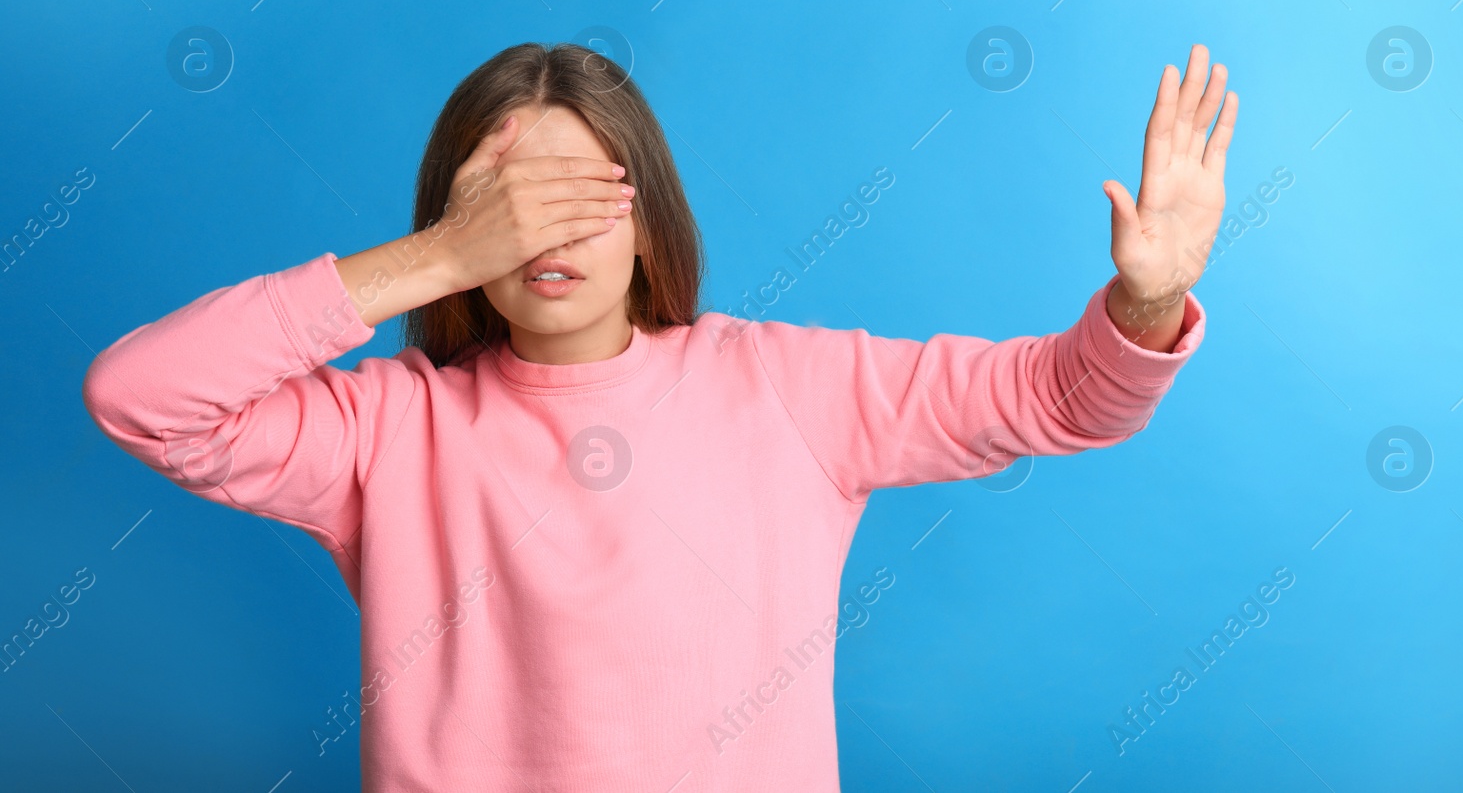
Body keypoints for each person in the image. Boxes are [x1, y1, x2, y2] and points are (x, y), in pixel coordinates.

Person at [82, 40, 1237, 791]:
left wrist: (1147, 294)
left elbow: (1058, 398)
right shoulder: (385, 429)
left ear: (646, 221)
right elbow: (140, 397)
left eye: (584, 196)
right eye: (505, 205)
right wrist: (430, 258)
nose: (545, 235)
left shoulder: (784, 384)